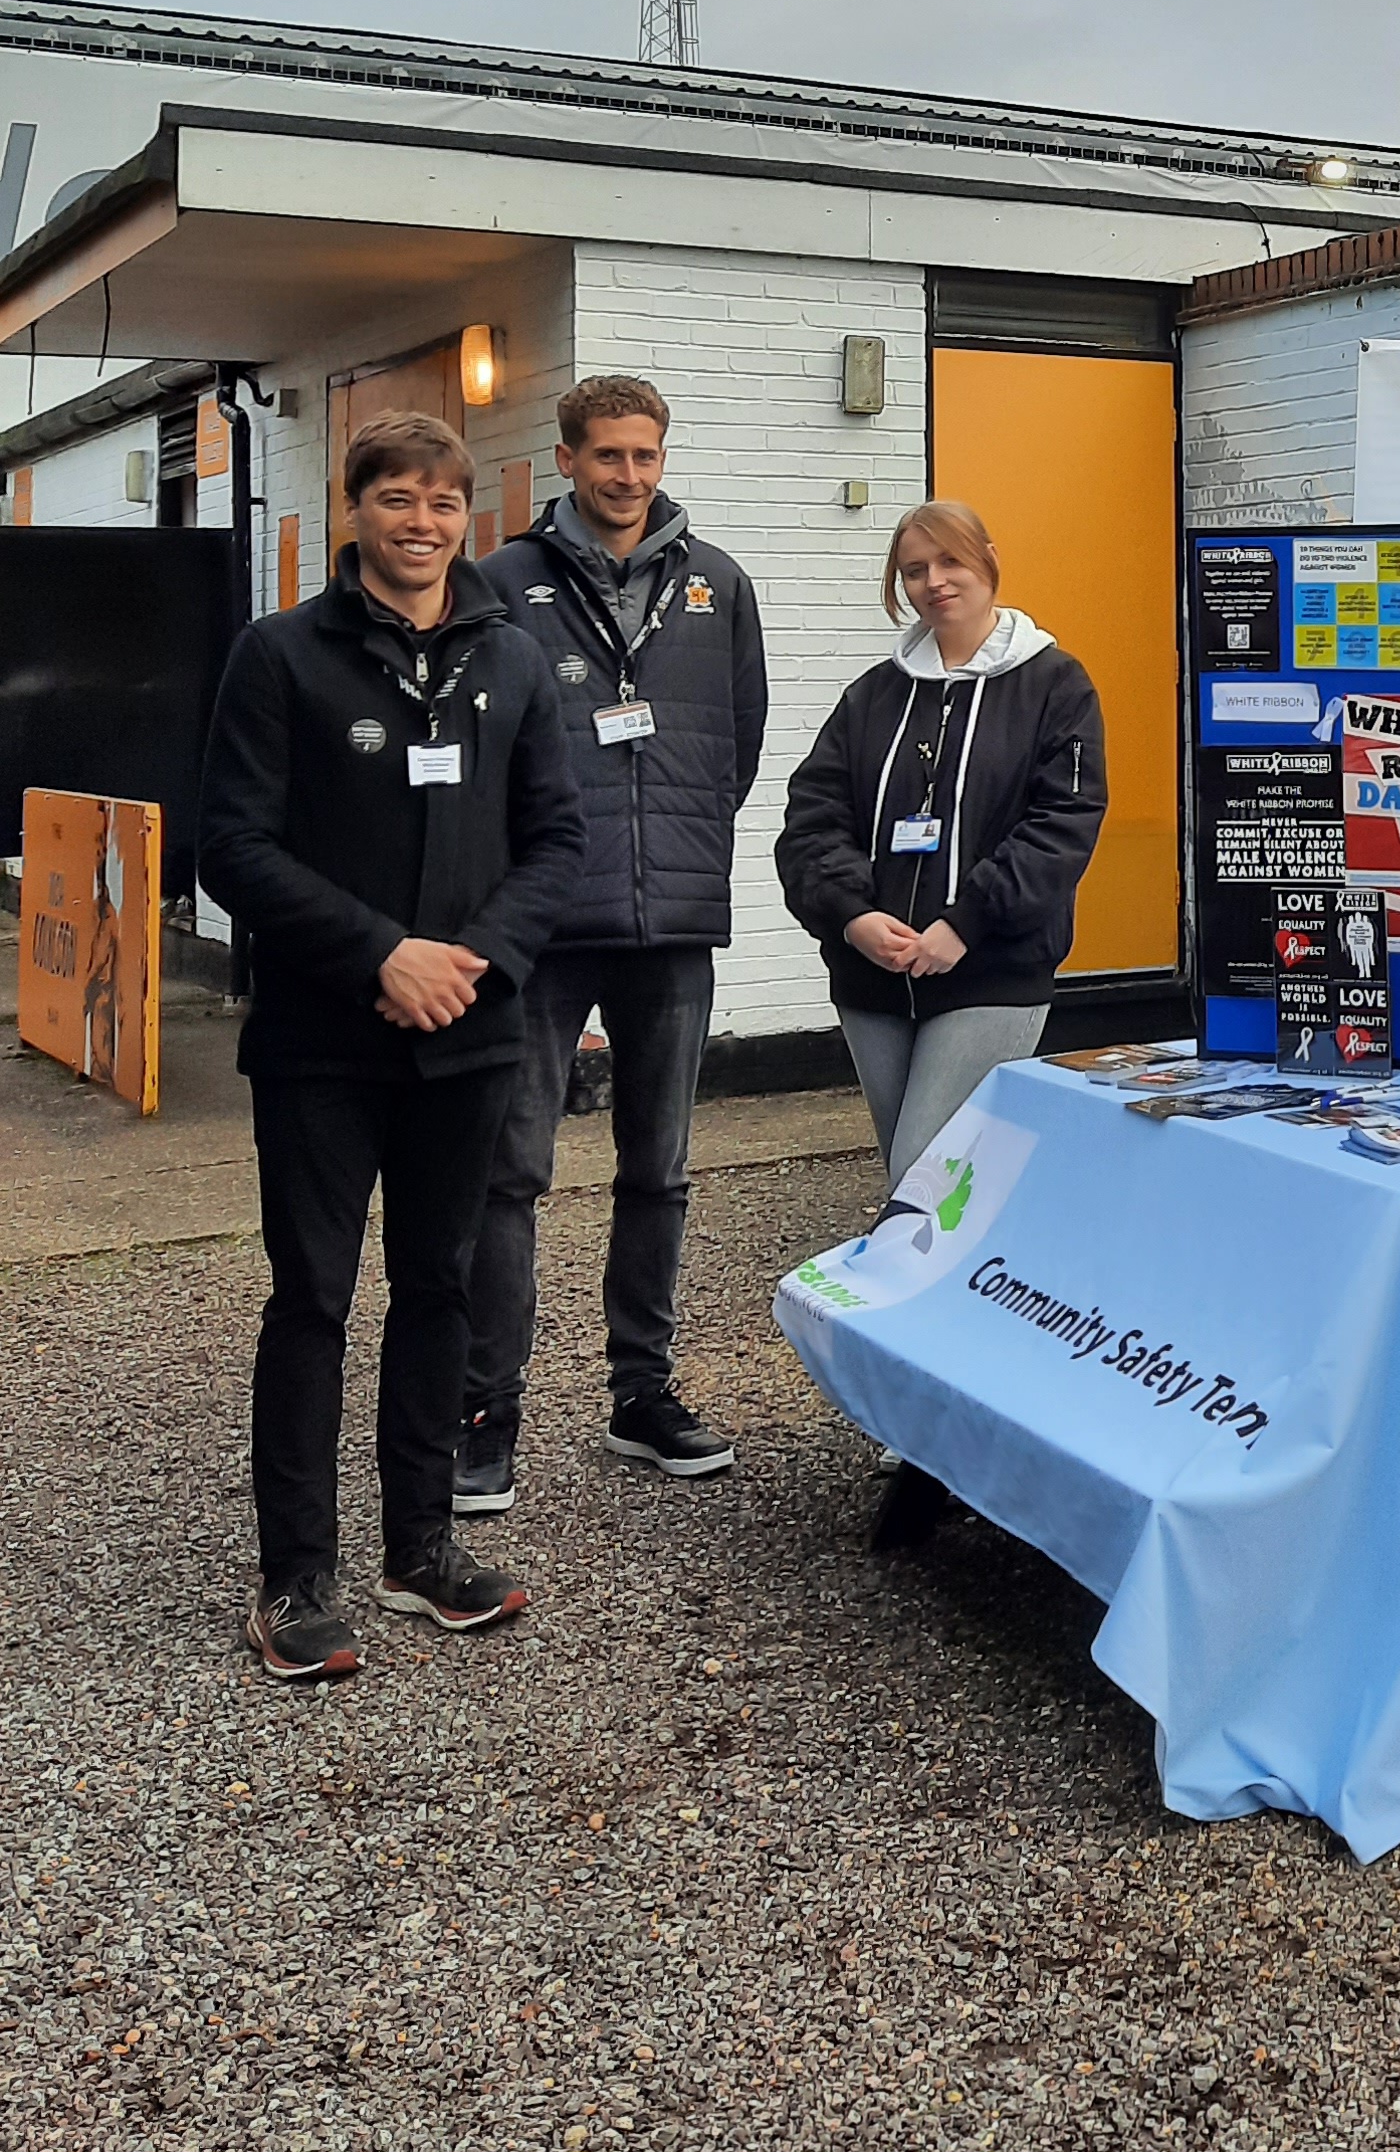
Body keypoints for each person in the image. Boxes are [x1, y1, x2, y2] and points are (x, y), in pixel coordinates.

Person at [198, 413, 585, 1681]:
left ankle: (420, 1548)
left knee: (441, 1287)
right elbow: (236, 849)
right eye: (397, 499)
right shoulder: (280, 656)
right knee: (311, 1300)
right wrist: (382, 955)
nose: (422, 523)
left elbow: (558, 843)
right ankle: (296, 1574)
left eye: (442, 502)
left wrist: (471, 963)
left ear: (467, 514)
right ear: (353, 506)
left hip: (469, 1040)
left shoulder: (512, 659)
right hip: (324, 1040)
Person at [456, 374, 770, 1515]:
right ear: (569, 459)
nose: (627, 476)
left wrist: (666, 846)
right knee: (511, 1174)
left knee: (661, 1171)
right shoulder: (499, 584)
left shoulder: (718, 584)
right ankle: (486, 1413)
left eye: (644, 454)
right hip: (542, 928)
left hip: (673, 923)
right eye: (607, 457)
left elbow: (735, 743)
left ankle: (642, 1395)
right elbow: (478, 748)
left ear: (661, 452)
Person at [776, 499, 1107, 1538]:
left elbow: (1064, 825)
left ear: (989, 564)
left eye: (950, 562)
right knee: (926, 1190)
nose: (933, 583)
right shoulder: (876, 693)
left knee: (926, 1179)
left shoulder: (1057, 684)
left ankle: (917, 1422)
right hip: (878, 980)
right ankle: (964, 1390)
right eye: (914, 568)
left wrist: (966, 921)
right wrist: (855, 913)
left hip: (991, 973)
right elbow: (811, 818)